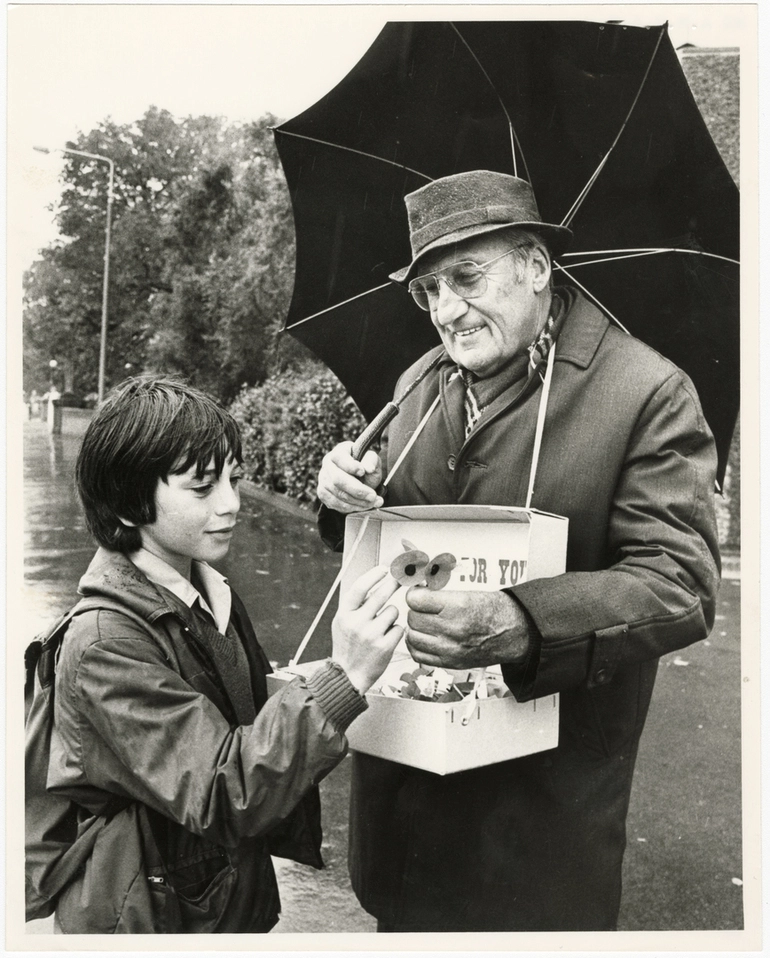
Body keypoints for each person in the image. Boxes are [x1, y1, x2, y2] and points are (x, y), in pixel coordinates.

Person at [316, 170, 721, 932]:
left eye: (466, 278)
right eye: (428, 290)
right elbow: (381, 545)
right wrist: (342, 492)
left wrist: (523, 621)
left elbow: (681, 584)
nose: (446, 311)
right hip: (403, 820)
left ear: (537, 266)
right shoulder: (417, 383)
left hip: (538, 835)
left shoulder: (646, 392)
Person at [35, 376, 404, 934]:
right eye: (202, 487)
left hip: (212, 897)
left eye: (234, 479)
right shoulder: (106, 643)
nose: (232, 504)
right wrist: (343, 675)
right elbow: (222, 789)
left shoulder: (207, 590)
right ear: (130, 499)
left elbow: (245, 726)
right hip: (149, 916)